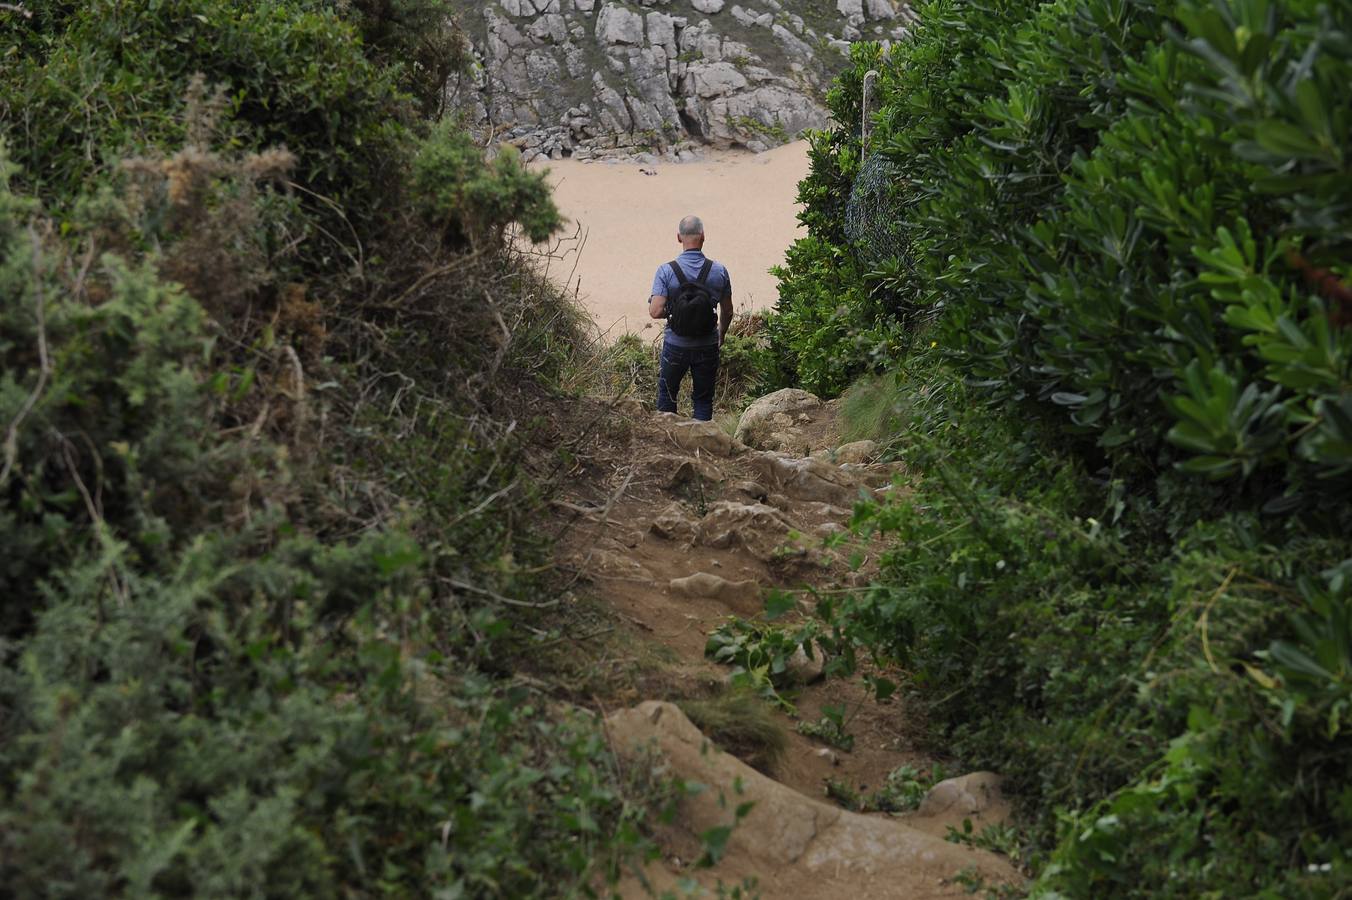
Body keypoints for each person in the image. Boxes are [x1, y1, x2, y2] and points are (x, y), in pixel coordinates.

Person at [648, 215, 733, 421]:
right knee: (703, 399)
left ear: (679, 238)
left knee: (667, 396)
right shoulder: (719, 271)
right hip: (707, 344)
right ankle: (700, 448)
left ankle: (668, 443)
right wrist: (721, 334)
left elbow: (655, 311)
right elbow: (728, 311)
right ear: (703, 236)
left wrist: (675, 311)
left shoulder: (666, 271)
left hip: (675, 344)